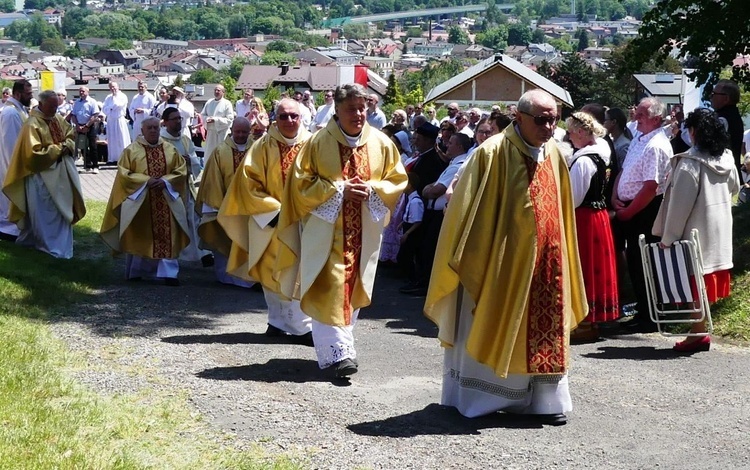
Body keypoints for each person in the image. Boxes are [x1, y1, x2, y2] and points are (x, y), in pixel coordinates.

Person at [423, 89, 587, 425]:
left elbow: (562, 212)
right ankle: (485, 398)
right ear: (519, 118)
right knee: (495, 320)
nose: (549, 127)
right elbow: (469, 216)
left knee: (546, 327)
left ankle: (544, 401)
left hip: (547, 265)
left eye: (554, 119)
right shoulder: (492, 153)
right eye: (542, 120)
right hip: (501, 267)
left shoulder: (553, 153)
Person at [275, 83, 407, 379]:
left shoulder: (381, 143)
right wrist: (338, 190)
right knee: (330, 288)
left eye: (362, 108)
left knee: (353, 288)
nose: (359, 114)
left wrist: (373, 190)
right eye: (352, 109)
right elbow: (300, 185)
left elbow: (397, 178)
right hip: (326, 232)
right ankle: (339, 355)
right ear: (337, 109)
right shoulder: (318, 143)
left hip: (365, 232)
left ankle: (341, 347)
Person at [218, 100, 315, 342]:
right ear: (275, 119)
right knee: (271, 271)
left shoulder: (313, 145)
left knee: (300, 272)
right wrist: (276, 211)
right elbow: (247, 184)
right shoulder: (262, 146)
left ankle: (301, 326)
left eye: (294, 116)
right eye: (283, 117)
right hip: (271, 220)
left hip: (305, 221)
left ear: (301, 117)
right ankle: (276, 320)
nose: (289, 121)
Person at [652, 109, 740, 352]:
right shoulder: (728, 158)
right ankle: (698, 331)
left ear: (693, 132)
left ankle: (698, 333)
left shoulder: (690, 163)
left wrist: (668, 237)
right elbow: (734, 187)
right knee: (704, 278)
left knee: (694, 278)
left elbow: (680, 205)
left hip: (694, 229)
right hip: (719, 226)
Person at [100, 117, 189, 286]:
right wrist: (145, 181)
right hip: (140, 201)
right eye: (149, 128)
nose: (153, 130)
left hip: (165, 199)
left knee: (167, 235)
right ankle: (136, 271)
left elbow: (181, 170)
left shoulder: (170, 150)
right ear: (142, 130)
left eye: (156, 127)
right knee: (140, 234)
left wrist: (166, 181)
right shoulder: (131, 151)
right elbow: (124, 174)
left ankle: (169, 274)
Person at [612, 97, 673, 332]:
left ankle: (650, 316)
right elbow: (625, 170)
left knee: (644, 262)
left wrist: (628, 212)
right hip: (628, 205)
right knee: (635, 263)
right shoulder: (639, 138)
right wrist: (615, 196)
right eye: (636, 113)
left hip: (644, 210)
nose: (636, 118)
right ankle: (642, 310)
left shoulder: (656, 145)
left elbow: (650, 187)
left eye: (641, 115)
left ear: (656, 119)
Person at [2, 90, 86, 259]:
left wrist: (65, 145)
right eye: (52, 106)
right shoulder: (32, 124)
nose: (55, 109)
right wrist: (59, 148)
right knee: (47, 211)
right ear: (41, 104)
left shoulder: (57, 118)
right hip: (41, 177)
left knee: (62, 208)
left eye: (56, 106)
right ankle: (49, 246)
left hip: (62, 173)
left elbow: (70, 134)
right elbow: (33, 154)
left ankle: (61, 244)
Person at [565, 111, 619, 342]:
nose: (568, 135)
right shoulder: (602, 153)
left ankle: (585, 321)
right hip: (599, 216)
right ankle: (592, 320)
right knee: (595, 266)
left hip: (585, 217)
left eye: (570, 131)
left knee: (585, 267)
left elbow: (574, 197)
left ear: (580, 132)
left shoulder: (584, 161)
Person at [195, 117, 255, 288]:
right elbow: (212, 180)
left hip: (251, 207)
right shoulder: (220, 151)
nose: (241, 135)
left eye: (245, 132)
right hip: (225, 207)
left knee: (248, 242)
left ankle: (248, 278)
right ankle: (225, 275)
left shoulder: (258, 150)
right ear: (232, 131)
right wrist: (217, 206)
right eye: (238, 132)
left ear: (249, 131)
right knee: (226, 240)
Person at [159, 106, 212, 267]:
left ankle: (202, 253)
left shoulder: (184, 139)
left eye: (179, 118)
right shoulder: (161, 141)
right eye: (174, 119)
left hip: (186, 186)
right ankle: (175, 254)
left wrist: (190, 162)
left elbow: (195, 160)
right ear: (166, 122)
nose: (178, 122)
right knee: (174, 221)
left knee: (194, 218)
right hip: (169, 188)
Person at [0, 79, 33, 241]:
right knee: (8, 201)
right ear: (18, 93)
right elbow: (11, 146)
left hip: (18, 165)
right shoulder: (11, 113)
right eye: (28, 94)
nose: (31, 97)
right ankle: (8, 229)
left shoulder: (20, 110)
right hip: (10, 165)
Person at [710, 79, 744, 175]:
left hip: (723, 174)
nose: (710, 97)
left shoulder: (722, 119)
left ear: (726, 99)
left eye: (714, 94)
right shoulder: (732, 116)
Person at [71, 85, 102, 174]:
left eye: (83, 91)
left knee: (92, 146)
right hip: (79, 126)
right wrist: (77, 126)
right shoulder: (77, 102)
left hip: (90, 126)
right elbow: (73, 115)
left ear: (87, 92)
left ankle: (95, 166)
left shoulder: (92, 102)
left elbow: (95, 115)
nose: (81, 93)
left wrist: (87, 126)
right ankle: (87, 165)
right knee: (83, 146)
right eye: (80, 91)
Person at [201, 85, 235, 159]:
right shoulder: (209, 102)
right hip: (211, 134)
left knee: (222, 155)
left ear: (223, 92)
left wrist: (215, 120)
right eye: (215, 90)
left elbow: (229, 119)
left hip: (222, 134)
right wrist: (207, 119)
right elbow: (202, 115)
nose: (216, 92)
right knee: (209, 154)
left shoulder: (227, 103)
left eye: (218, 90)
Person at [101, 81, 131, 165]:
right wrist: (111, 108)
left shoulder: (123, 96)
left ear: (118, 87)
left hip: (119, 119)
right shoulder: (108, 97)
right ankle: (112, 159)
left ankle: (123, 159)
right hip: (111, 120)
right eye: (110, 87)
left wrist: (111, 107)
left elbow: (118, 105)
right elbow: (104, 108)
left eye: (114, 87)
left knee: (121, 139)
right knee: (112, 140)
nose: (112, 89)